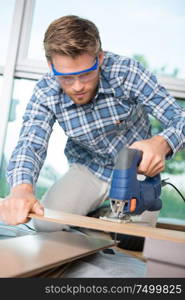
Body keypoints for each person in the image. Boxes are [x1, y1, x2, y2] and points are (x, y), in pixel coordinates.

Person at [1, 15, 185, 232]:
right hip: (89, 169)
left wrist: (161, 143)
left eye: (86, 74)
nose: (78, 86)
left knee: (135, 242)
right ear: (51, 65)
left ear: (100, 58)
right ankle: (94, 217)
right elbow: (30, 145)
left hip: (136, 173)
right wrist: (22, 189)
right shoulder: (45, 92)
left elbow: (179, 118)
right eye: (66, 77)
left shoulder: (127, 72)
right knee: (45, 224)